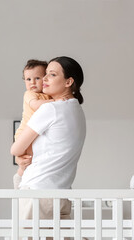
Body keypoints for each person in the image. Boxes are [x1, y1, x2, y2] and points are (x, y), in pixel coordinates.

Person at [11, 56, 86, 221]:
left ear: (68, 82)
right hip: (61, 193)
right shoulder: (77, 111)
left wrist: (19, 157)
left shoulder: (51, 109)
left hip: (38, 192)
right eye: (45, 74)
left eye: (51, 74)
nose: (44, 78)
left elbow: (15, 149)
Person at [13, 59, 54, 188]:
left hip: (33, 133)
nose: (33, 83)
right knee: (27, 159)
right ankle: (18, 178)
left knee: (28, 161)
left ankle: (19, 176)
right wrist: (57, 102)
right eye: (28, 79)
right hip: (24, 133)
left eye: (37, 78)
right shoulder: (29, 94)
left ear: (45, 79)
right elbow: (36, 105)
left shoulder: (48, 95)